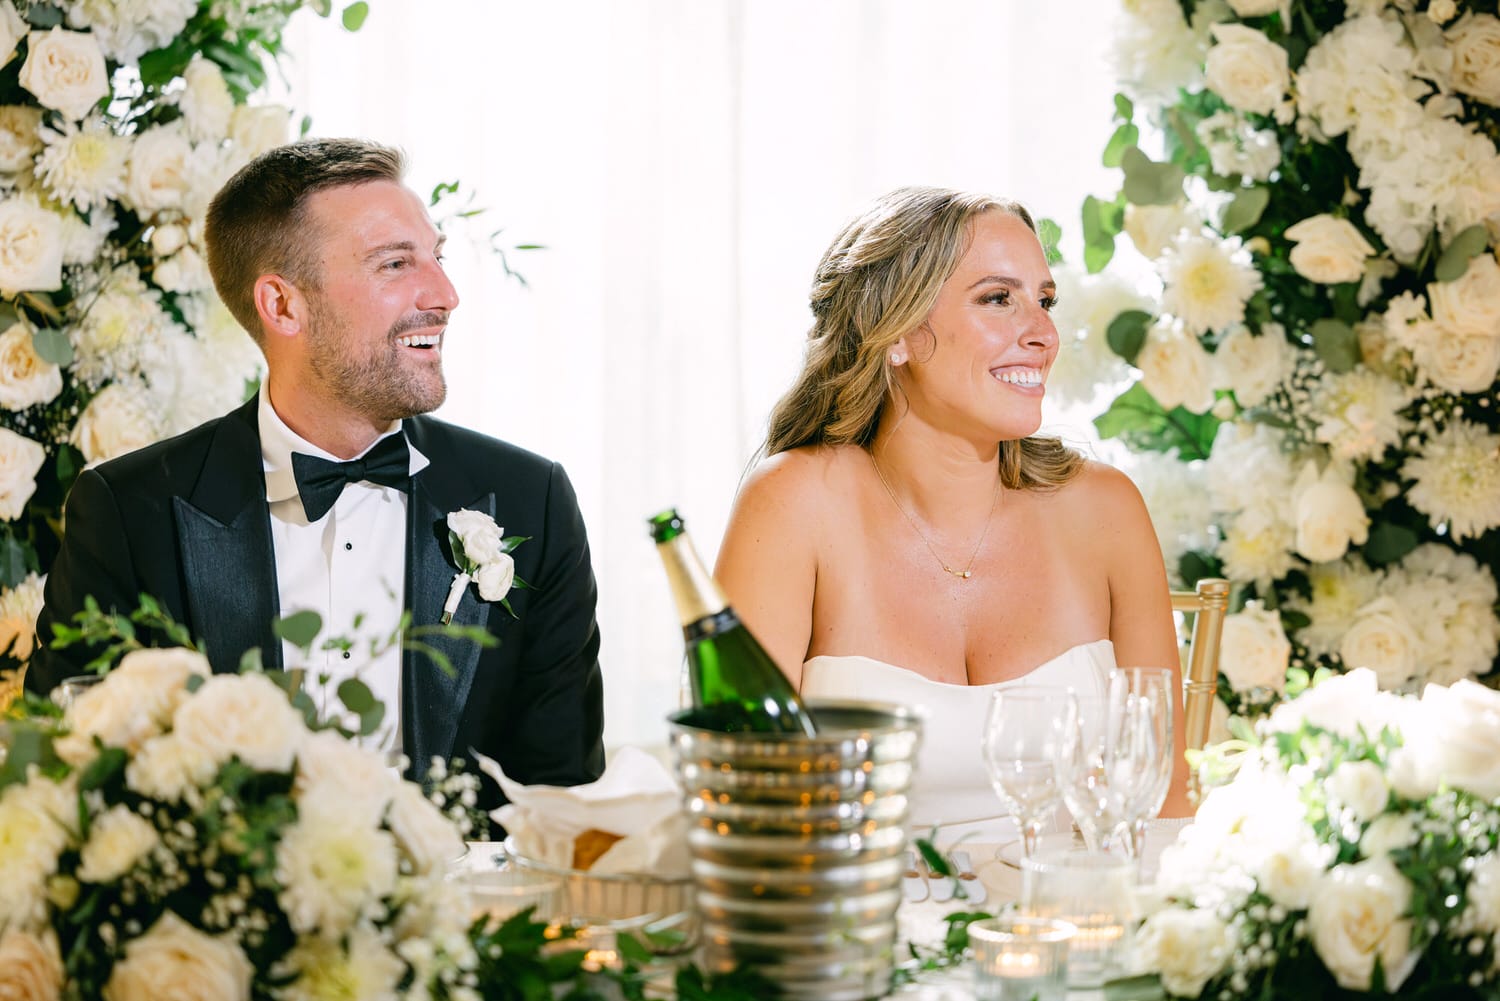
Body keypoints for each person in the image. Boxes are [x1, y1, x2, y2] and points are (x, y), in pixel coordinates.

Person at [29, 138, 605, 805]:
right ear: (282, 306)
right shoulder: (129, 513)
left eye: (436, 258)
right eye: (396, 263)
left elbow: (560, 802)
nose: (445, 294)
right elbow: (67, 779)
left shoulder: (530, 502)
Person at [715, 186, 1191, 838]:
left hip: (1076, 921)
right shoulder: (795, 505)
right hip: (854, 928)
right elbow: (740, 803)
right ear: (900, 332)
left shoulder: (1104, 510)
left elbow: (1164, 802)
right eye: (999, 299)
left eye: (1045, 301)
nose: (1044, 334)